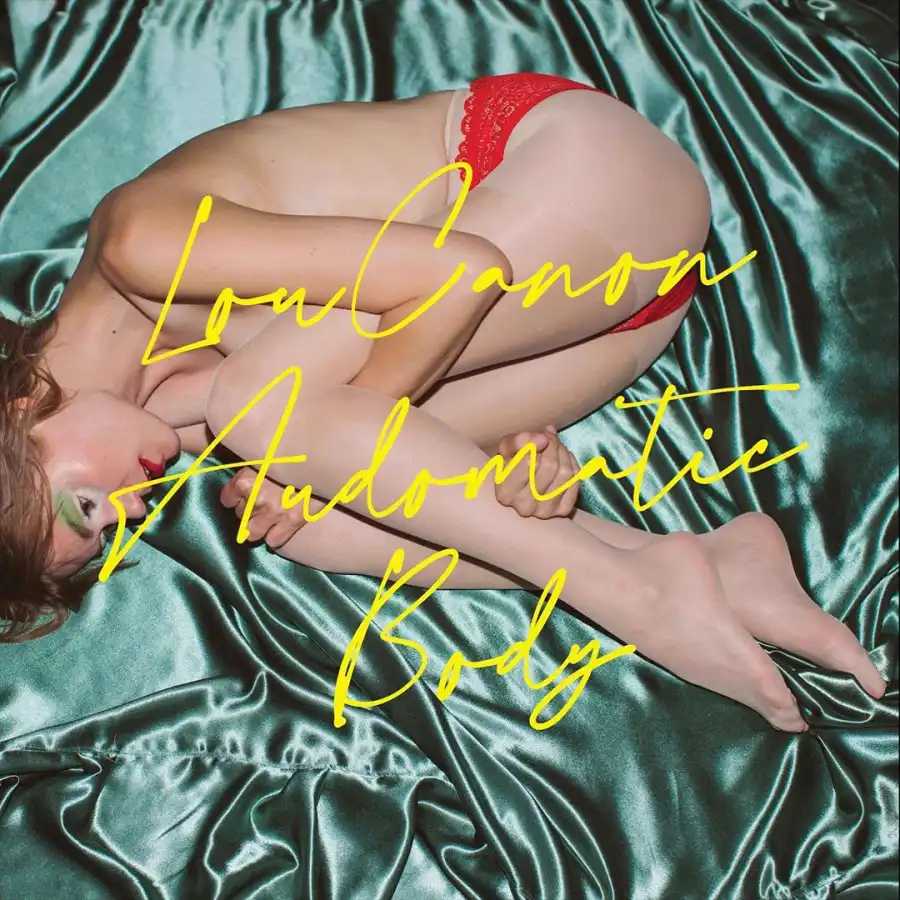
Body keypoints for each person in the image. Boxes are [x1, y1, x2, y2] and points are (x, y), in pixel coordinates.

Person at [0, 73, 885, 731]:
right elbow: (387, 441)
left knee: (263, 418)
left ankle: (628, 594)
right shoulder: (167, 411)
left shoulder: (142, 243)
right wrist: (508, 467)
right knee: (307, 524)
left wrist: (310, 449)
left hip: (576, 176)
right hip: (617, 316)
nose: (131, 511)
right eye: (106, 534)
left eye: (86, 504)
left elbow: (462, 274)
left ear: (12, 417)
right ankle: (710, 564)